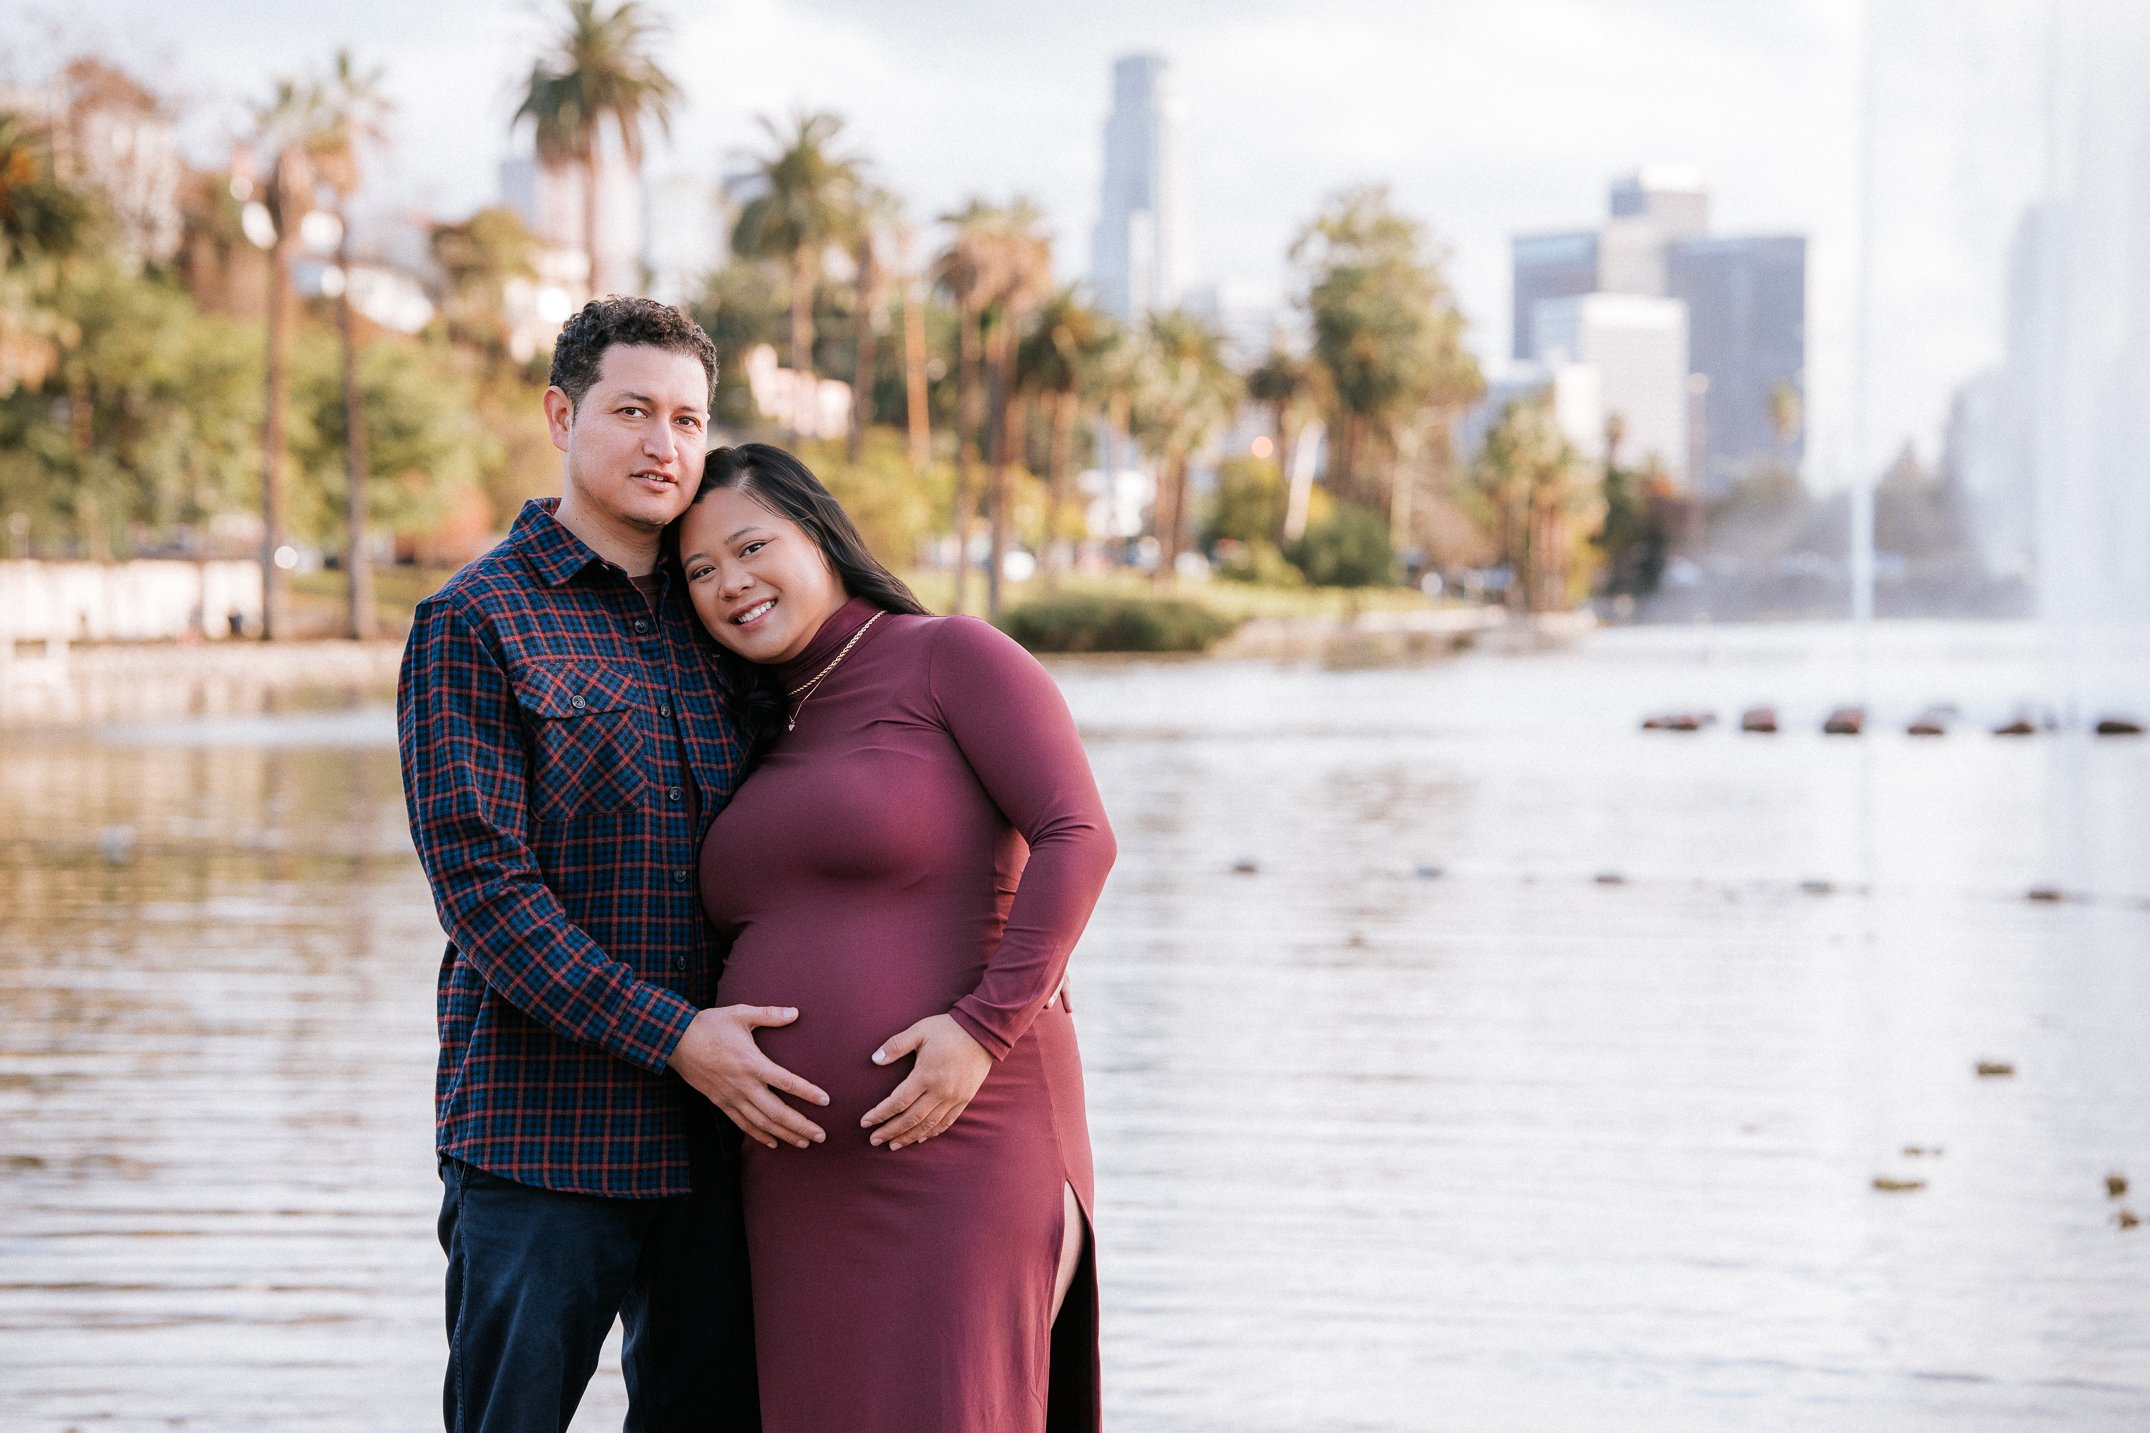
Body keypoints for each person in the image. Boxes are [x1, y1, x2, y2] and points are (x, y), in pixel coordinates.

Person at [398, 300, 825, 1431]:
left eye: (688, 419)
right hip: (541, 1137)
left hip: (723, 1142)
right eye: (632, 411)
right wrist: (676, 1036)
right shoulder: (475, 622)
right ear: (560, 413)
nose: (664, 445)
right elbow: (486, 895)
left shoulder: (721, 613)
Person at [673, 443, 1117, 1433]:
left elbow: (1077, 835)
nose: (729, 582)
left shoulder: (947, 654)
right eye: (699, 571)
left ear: (820, 534)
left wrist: (980, 1029)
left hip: (964, 1135)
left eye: (751, 546)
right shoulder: (758, 725)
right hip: (794, 1180)